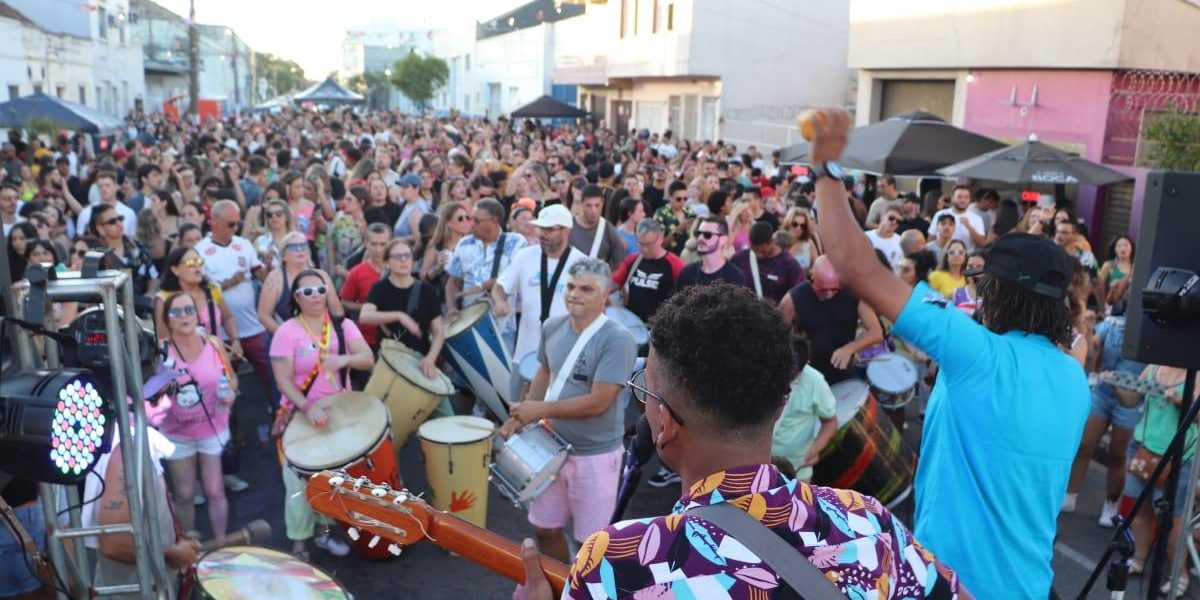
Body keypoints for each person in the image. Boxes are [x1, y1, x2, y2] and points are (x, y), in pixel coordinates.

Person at [518, 282, 967, 600]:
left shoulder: (617, 563)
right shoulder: (869, 522)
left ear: (664, 422)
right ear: (779, 406)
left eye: (646, 390)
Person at [808, 107, 1088, 598]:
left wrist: (827, 168)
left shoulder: (977, 353)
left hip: (956, 586)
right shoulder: (1073, 377)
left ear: (995, 295)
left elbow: (853, 266)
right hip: (1031, 586)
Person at [498, 258, 637, 567]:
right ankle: (565, 581)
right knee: (544, 529)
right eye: (571, 287)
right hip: (549, 448)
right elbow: (545, 372)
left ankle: (583, 586)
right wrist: (518, 419)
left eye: (586, 289)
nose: (575, 294)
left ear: (605, 295)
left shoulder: (618, 339)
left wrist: (539, 410)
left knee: (591, 544)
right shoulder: (552, 326)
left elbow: (600, 401)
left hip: (596, 456)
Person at [269, 269, 373, 559]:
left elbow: (368, 359)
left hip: (340, 415)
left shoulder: (343, 327)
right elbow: (283, 380)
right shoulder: (287, 332)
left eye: (320, 289)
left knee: (333, 480)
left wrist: (346, 358)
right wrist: (307, 406)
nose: (315, 296)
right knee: (299, 483)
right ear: (296, 298)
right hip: (300, 417)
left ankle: (324, 533)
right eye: (307, 292)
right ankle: (299, 546)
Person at [158, 292, 238, 538]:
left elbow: (231, 377)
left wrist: (231, 393)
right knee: (184, 494)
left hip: (213, 428)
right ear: (167, 320)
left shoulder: (213, 344)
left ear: (197, 315)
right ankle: (189, 548)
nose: (184, 316)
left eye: (189, 310)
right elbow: (149, 395)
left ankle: (221, 543)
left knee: (215, 491)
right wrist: (163, 386)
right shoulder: (161, 352)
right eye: (176, 312)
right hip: (177, 434)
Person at [1063, 293, 1145, 526]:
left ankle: (1111, 505)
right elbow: (1093, 347)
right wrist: (1088, 329)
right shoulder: (1112, 324)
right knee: (1084, 444)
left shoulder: (1152, 336)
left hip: (1130, 399)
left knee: (1118, 455)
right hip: (1103, 392)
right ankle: (1070, 495)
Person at [1120, 365, 1200, 596]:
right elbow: (1130, 400)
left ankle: (1179, 574)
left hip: (1178, 456)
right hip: (1143, 448)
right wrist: (1117, 385)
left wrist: (1181, 401)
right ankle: (1139, 558)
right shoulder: (1153, 368)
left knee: (1171, 520)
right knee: (1141, 508)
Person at [195, 200, 270, 431]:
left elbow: (259, 273)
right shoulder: (200, 251)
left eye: (237, 223)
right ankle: (230, 432)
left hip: (252, 326)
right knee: (224, 386)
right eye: (230, 223)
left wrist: (267, 268)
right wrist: (229, 283)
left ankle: (278, 414)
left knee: (269, 374)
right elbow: (200, 289)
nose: (235, 228)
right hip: (222, 335)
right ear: (214, 222)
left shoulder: (243, 244)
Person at [492, 204, 586, 371]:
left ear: (566, 231)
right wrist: (500, 301)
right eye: (540, 228)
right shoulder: (525, 256)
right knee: (518, 397)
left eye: (549, 229)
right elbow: (500, 286)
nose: (542, 234)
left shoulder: (582, 263)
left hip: (564, 357)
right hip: (525, 354)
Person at [778, 256, 884, 385]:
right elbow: (777, 339)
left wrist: (850, 348)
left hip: (842, 371)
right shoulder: (792, 299)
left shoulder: (854, 292)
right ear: (812, 276)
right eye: (822, 289)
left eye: (835, 289)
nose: (829, 294)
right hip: (808, 376)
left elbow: (876, 332)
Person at [360, 239, 445, 379]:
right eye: (397, 256)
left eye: (407, 255)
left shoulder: (427, 290)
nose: (403, 260)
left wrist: (430, 358)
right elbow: (364, 316)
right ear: (387, 263)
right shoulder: (380, 288)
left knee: (443, 401)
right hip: (389, 360)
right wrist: (399, 316)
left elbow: (439, 332)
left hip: (419, 361)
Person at [770, 328, 838, 482]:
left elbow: (831, 422)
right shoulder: (767, 372)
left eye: (793, 375)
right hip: (759, 466)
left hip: (796, 472)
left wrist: (813, 451)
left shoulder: (816, 382)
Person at [445, 198, 526, 322]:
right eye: (471, 219)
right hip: (469, 322)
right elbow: (452, 282)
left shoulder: (516, 242)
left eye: (477, 221)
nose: (471, 224)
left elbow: (518, 280)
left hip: (504, 324)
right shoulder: (464, 244)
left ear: (495, 220)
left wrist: (483, 286)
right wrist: (451, 308)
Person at [154, 247, 241, 359]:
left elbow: (227, 318)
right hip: (184, 363)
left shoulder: (212, 289)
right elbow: (163, 338)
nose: (197, 267)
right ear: (175, 270)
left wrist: (235, 340)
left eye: (199, 261)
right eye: (190, 263)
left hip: (217, 359)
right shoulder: (164, 299)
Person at [258, 231, 343, 334]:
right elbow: (263, 316)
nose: (299, 250)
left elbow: (337, 311)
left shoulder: (322, 275)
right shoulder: (275, 278)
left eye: (303, 246)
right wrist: (285, 337)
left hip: (320, 336)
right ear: (283, 255)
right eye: (293, 247)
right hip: (285, 338)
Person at [611, 219, 684, 323]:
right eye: (640, 244)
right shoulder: (633, 260)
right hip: (633, 325)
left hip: (659, 327)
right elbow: (612, 284)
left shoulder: (675, 264)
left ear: (660, 237)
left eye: (648, 244)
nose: (644, 249)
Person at [339, 223, 391, 351]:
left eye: (383, 244)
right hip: (368, 340)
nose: (378, 249)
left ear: (390, 243)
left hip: (395, 340)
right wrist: (366, 309)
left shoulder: (399, 268)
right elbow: (344, 302)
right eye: (374, 244)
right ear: (366, 243)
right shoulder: (356, 273)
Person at [731, 221, 803, 305]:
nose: (759, 255)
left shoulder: (789, 264)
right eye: (755, 251)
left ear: (772, 242)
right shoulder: (739, 259)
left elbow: (798, 295)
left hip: (778, 315)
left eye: (763, 251)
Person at [672, 216, 746, 291]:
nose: (700, 238)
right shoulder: (687, 273)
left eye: (707, 235)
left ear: (723, 239)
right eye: (698, 233)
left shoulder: (734, 276)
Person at [569, 185, 625, 267]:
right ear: (582, 203)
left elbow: (619, 265)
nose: (593, 211)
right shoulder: (568, 227)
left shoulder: (609, 231)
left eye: (597, 205)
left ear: (602, 203)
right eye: (589, 205)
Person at [75, 171, 137, 239]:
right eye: (100, 186)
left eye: (107, 185)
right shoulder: (86, 213)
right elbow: (80, 238)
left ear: (116, 187)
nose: (103, 189)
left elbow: (131, 239)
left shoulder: (129, 213)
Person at [927, 186, 986, 251]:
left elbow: (982, 243)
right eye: (959, 197)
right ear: (952, 198)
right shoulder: (940, 214)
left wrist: (969, 227)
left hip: (966, 258)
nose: (963, 200)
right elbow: (931, 237)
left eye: (966, 197)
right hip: (941, 257)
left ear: (970, 199)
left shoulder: (976, 219)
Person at [653, 181, 695, 255]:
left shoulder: (690, 212)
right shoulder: (660, 214)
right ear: (670, 197)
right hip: (669, 258)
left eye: (685, 199)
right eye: (678, 199)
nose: (682, 202)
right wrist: (679, 230)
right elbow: (659, 245)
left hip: (688, 258)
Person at [252, 198, 294, 273]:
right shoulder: (259, 241)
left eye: (278, 213)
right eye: (269, 215)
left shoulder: (295, 239)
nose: (274, 217)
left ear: (286, 217)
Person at [1098, 235, 1134, 308]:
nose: (1122, 248)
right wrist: (1101, 307)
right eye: (1119, 246)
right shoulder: (1108, 265)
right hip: (1110, 305)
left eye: (1126, 245)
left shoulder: (1136, 267)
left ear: (1132, 248)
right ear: (1114, 249)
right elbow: (1099, 288)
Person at [781, 206, 821, 271]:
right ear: (788, 223)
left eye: (802, 226)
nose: (798, 228)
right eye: (795, 224)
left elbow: (817, 266)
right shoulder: (779, 241)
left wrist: (809, 272)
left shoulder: (809, 243)